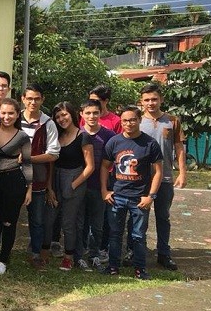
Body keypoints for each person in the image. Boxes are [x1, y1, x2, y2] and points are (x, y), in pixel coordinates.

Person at [101, 106, 163, 279]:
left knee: (138, 236)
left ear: (139, 120)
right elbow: (105, 167)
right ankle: (113, 267)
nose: (129, 123)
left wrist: (151, 196)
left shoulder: (150, 143)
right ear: (121, 122)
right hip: (117, 196)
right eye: (125, 120)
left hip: (140, 198)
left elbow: (158, 171)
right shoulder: (114, 141)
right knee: (114, 234)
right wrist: (104, 190)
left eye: (132, 120)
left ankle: (140, 269)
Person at [139, 83, 186, 271]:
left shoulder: (172, 121)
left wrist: (182, 172)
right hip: (140, 179)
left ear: (161, 100)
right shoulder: (136, 121)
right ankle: (134, 251)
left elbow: (179, 148)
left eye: (154, 99)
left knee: (163, 217)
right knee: (138, 217)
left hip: (165, 177)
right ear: (141, 102)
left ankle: (164, 254)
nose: (151, 103)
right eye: (147, 100)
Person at [47, 102, 94, 271]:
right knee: (50, 218)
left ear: (73, 114)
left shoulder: (83, 136)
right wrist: (50, 187)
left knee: (69, 222)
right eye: (58, 116)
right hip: (57, 179)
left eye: (64, 115)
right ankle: (44, 251)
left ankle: (68, 257)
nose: (61, 119)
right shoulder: (56, 136)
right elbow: (52, 163)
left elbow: (90, 166)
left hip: (75, 179)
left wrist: (73, 185)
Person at [0, 98, 32, 275]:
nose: (7, 116)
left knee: (9, 221)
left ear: (17, 114)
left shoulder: (22, 137)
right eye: (3, 112)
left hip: (13, 180)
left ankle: (3, 259)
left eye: (11, 113)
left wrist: (29, 187)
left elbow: (27, 163)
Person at [19, 83, 59, 268]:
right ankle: (0, 253)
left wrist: (29, 158)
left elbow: (53, 154)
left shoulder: (48, 123)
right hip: (13, 176)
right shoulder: (14, 118)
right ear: (23, 99)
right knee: (6, 216)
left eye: (37, 98)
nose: (33, 102)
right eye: (29, 98)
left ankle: (35, 253)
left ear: (42, 100)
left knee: (36, 220)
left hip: (38, 178)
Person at [79, 99, 115, 270]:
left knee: (97, 224)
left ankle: (95, 254)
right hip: (80, 185)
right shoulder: (76, 134)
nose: (92, 116)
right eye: (88, 113)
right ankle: (80, 253)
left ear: (100, 113)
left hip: (99, 186)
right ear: (81, 115)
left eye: (95, 112)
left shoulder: (109, 136)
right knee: (79, 222)